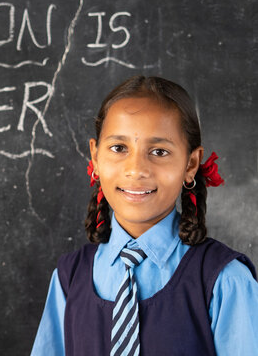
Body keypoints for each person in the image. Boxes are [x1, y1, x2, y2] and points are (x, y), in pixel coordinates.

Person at [30, 75, 258, 355]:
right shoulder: (68, 278)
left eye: (159, 151)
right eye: (119, 148)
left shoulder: (226, 280)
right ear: (96, 157)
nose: (136, 169)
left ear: (191, 164)